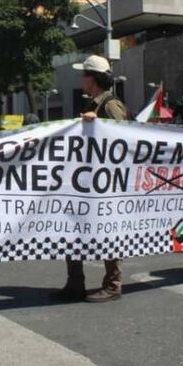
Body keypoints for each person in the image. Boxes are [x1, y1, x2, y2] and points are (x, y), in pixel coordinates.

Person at [53, 54, 128, 303]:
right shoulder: (92, 103)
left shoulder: (110, 105)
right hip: (86, 181)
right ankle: (75, 283)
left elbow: (124, 137)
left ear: (92, 78)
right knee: (72, 228)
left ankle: (113, 284)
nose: (81, 79)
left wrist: (100, 124)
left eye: (83, 74)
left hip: (104, 184)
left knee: (107, 232)